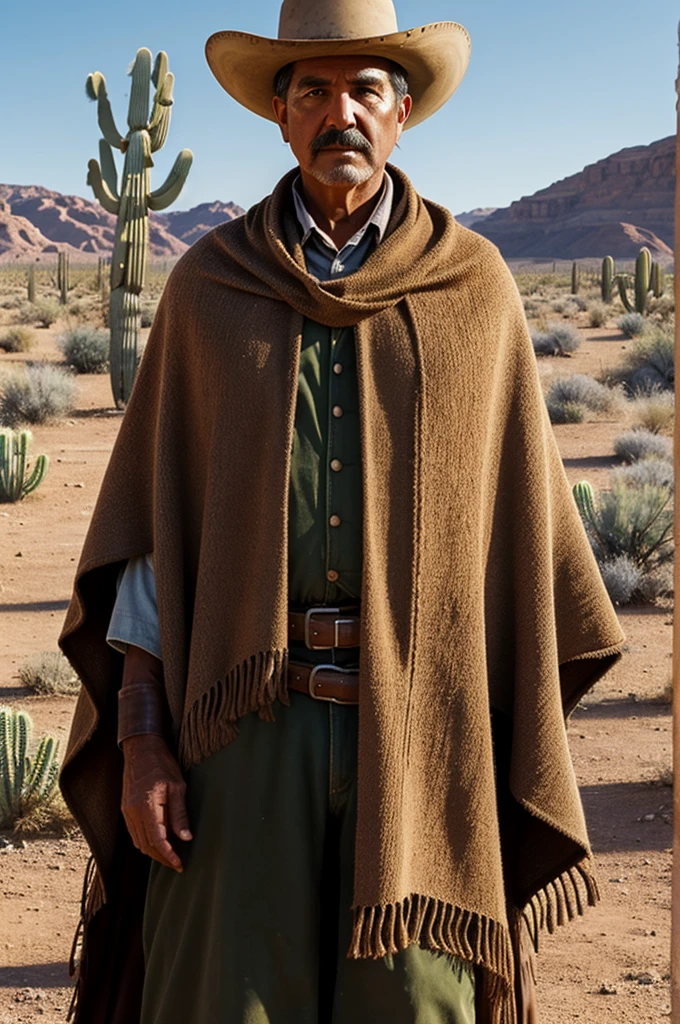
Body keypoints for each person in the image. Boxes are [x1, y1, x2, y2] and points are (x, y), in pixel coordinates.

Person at [58, 2, 627, 1022]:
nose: (340, 113)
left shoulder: (474, 290)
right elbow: (153, 550)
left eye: (364, 87)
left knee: (416, 1000)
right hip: (238, 738)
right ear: (278, 114)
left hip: (419, 735)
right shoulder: (206, 289)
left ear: (402, 110)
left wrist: (497, 749)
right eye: (312, 90)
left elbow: (518, 547)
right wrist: (142, 739)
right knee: (216, 999)